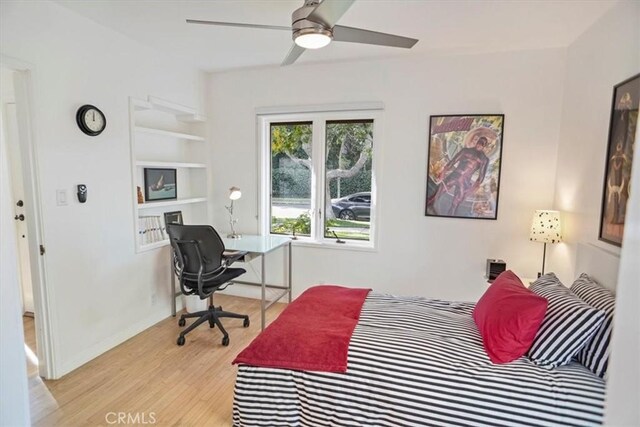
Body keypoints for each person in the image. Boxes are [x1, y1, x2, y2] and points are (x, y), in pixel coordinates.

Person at [427, 136, 490, 215]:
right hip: (454, 176)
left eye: (482, 144)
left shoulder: (484, 159)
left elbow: (480, 178)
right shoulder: (466, 151)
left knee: (455, 204)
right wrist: (442, 173)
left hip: (464, 182)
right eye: (479, 142)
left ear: (484, 146)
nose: (479, 145)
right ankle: (427, 209)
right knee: (437, 194)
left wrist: (471, 190)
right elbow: (452, 162)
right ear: (477, 142)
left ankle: (451, 221)